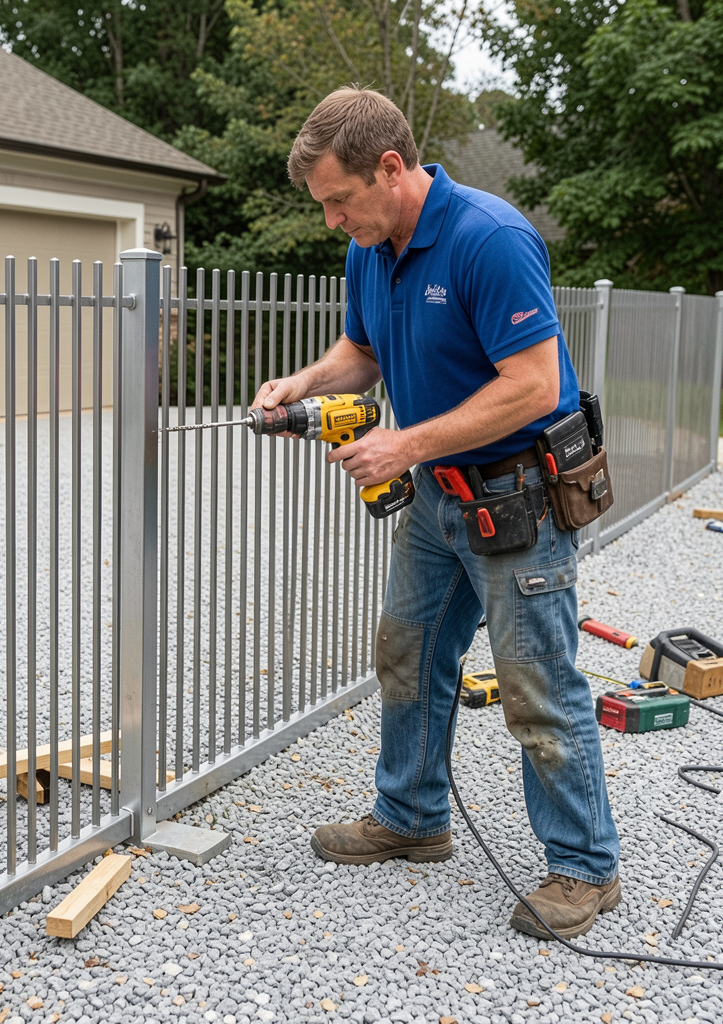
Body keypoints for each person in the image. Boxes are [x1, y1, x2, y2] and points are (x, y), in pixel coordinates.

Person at [252, 85, 620, 939]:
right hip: (437, 506)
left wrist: (405, 445)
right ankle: (413, 818)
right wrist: (303, 384)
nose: (333, 220)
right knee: (409, 657)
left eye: (340, 200)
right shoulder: (369, 248)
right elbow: (363, 349)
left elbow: (531, 384)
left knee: (537, 684)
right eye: (324, 206)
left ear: (391, 167)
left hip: (518, 499)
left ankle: (585, 867)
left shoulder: (488, 240)